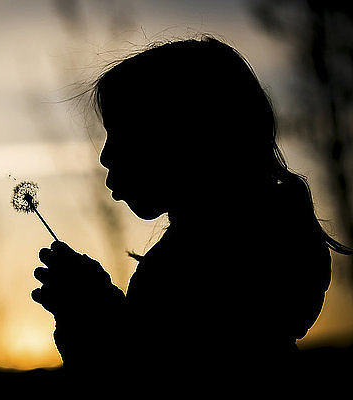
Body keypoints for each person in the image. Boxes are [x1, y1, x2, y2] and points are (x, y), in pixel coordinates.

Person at [31, 36, 352, 383]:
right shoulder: (268, 253)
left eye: (122, 134)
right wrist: (104, 312)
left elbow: (145, 378)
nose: (105, 156)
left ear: (185, 140)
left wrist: (91, 319)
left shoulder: (197, 267)